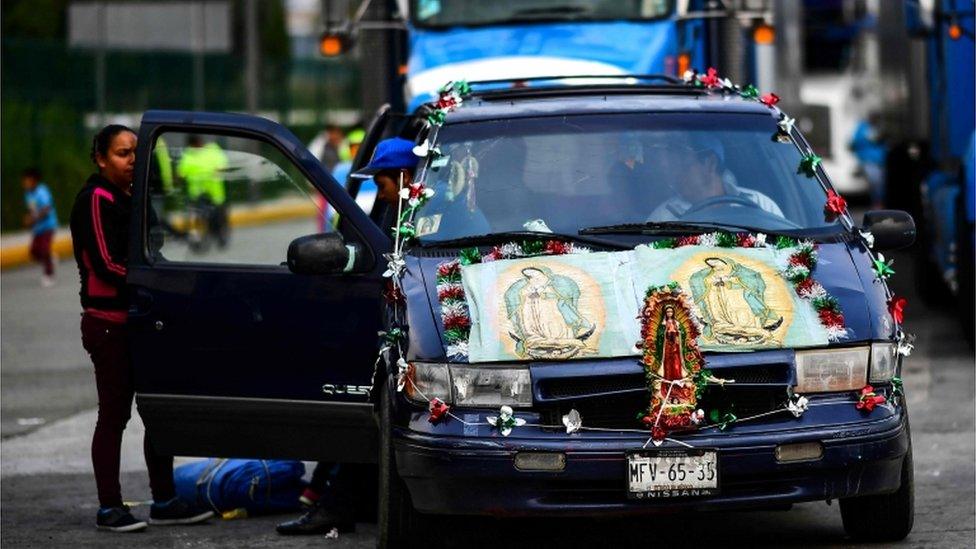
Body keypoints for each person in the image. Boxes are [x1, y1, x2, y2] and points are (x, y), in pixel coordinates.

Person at [70, 125, 214, 532]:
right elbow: (107, 263)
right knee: (113, 416)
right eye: (121, 153)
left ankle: (165, 499)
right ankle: (109, 506)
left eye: (135, 151)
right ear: (100, 159)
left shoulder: (132, 197)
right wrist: (162, 281)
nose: (132, 159)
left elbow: (153, 246)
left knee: (156, 411)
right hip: (109, 323)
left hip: (141, 319)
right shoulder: (96, 199)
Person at [276, 137, 421, 536]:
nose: (381, 189)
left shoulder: (423, 218)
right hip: (388, 334)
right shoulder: (395, 209)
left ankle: (332, 503)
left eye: (384, 181)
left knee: (377, 422)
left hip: (415, 343)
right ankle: (329, 499)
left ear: (404, 175)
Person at [647, 135, 783, 221]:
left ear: (710, 163)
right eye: (672, 167)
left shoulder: (761, 205)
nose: (675, 174)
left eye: (683, 165)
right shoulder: (664, 217)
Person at [177, 135, 230, 248]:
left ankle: (220, 237)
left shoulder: (212, 149)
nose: (195, 147)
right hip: (198, 193)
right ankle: (202, 238)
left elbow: (223, 165)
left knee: (218, 217)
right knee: (200, 217)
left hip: (214, 192)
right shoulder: (188, 154)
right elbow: (181, 172)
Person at [21, 167, 58, 287]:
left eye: (27, 180)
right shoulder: (27, 194)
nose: (24, 183)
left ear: (34, 180)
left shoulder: (42, 191)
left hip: (48, 226)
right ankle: (50, 259)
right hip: (38, 228)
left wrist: (33, 218)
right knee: (34, 252)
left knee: (44, 249)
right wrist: (29, 219)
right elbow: (32, 209)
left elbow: (47, 208)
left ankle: (49, 274)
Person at [850, 113, 887, 209]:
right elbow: (855, 142)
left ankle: (879, 202)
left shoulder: (880, 128)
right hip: (868, 161)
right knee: (875, 180)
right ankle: (877, 202)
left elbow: (884, 143)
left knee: (881, 182)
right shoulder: (862, 128)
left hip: (881, 161)